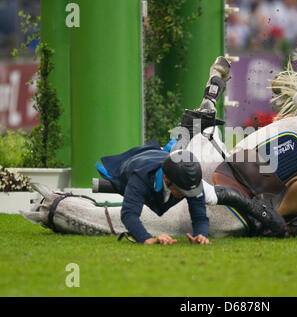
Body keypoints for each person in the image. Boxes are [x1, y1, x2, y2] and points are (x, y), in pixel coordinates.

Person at [94, 57, 287, 245]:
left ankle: (204, 105)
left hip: (166, 158)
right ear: (169, 181)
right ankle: (193, 120)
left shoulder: (188, 180)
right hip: (138, 162)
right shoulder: (139, 178)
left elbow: (199, 215)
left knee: (224, 190)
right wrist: (148, 239)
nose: (189, 194)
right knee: (178, 146)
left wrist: (201, 235)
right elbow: (128, 215)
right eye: (183, 190)